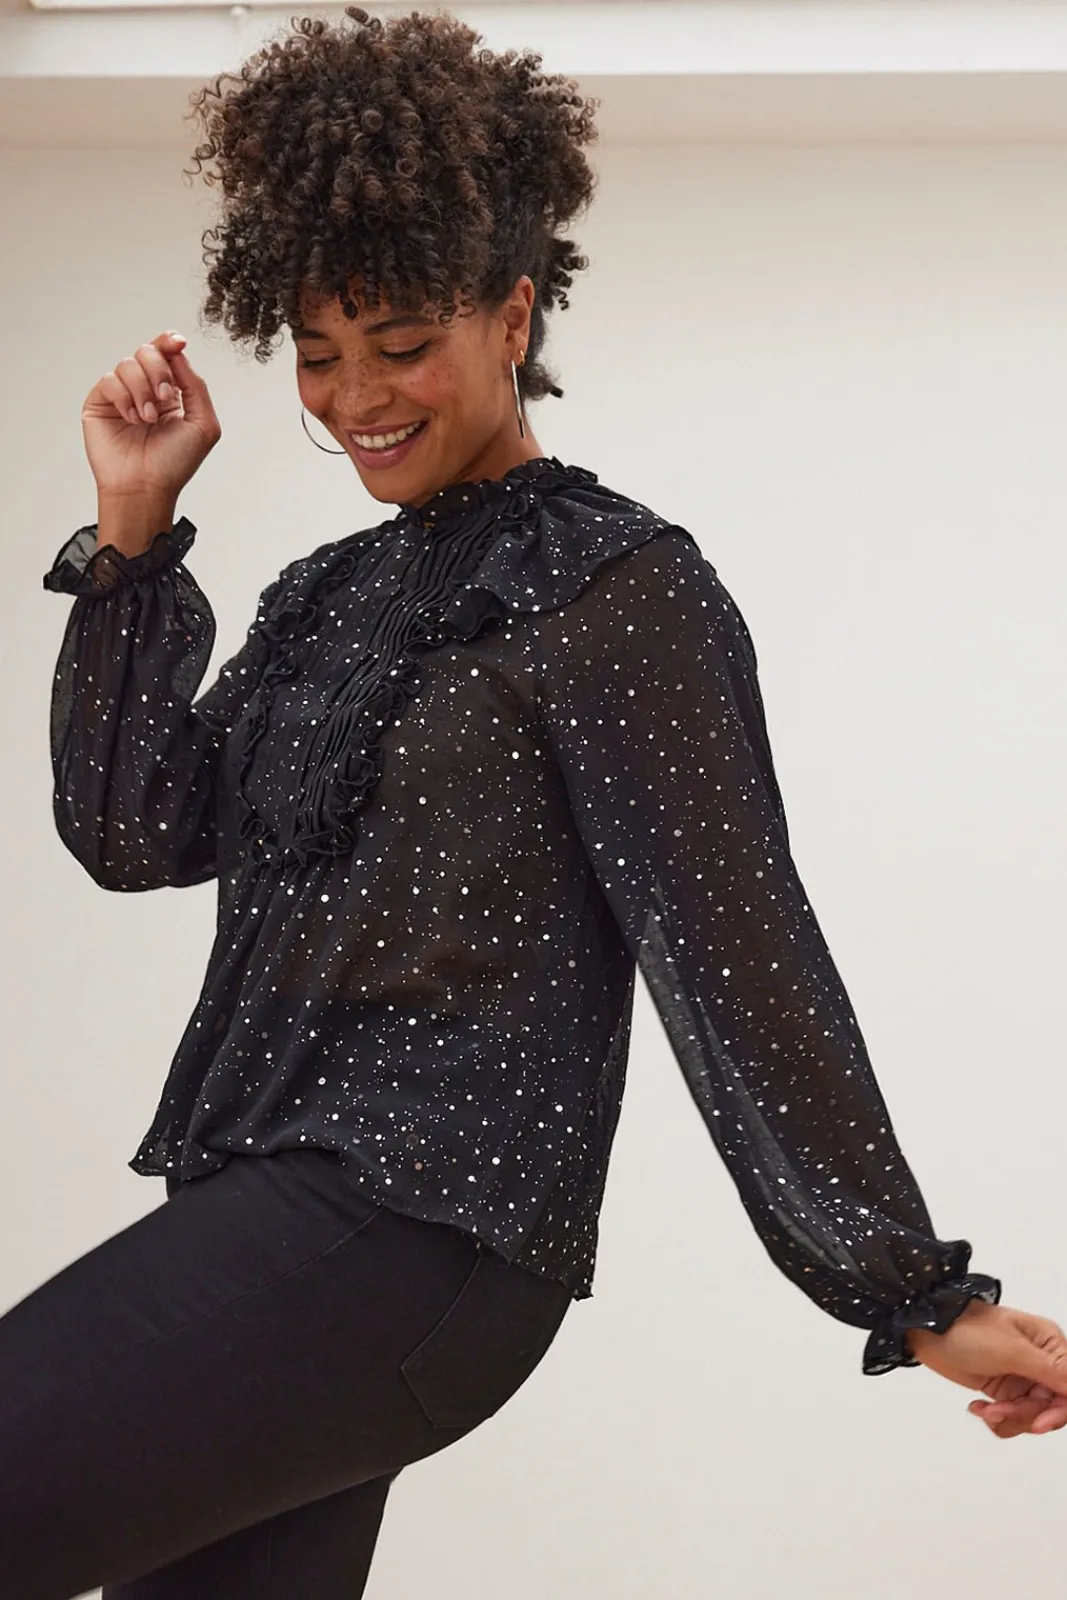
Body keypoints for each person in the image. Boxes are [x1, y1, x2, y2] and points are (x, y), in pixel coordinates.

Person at [6, 5, 1065, 1596]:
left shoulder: (615, 589)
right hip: (279, 1214)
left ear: (512, 314)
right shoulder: (324, 597)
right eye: (316, 354)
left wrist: (908, 1291)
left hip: (412, 1233)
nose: (355, 396)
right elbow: (133, 828)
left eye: (400, 342)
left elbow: (735, 949)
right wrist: (133, 531)